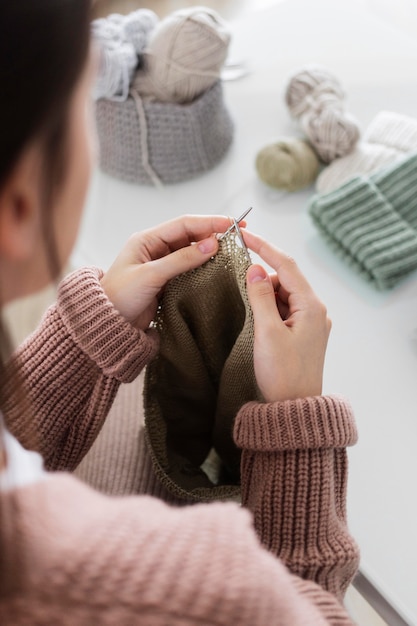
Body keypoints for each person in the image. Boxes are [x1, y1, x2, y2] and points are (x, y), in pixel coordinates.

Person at [0, 1, 360, 624]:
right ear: (19, 207)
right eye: (84, 110)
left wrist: (90, 326)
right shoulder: (172, 588)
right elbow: (313, 611)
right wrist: (296, 421)